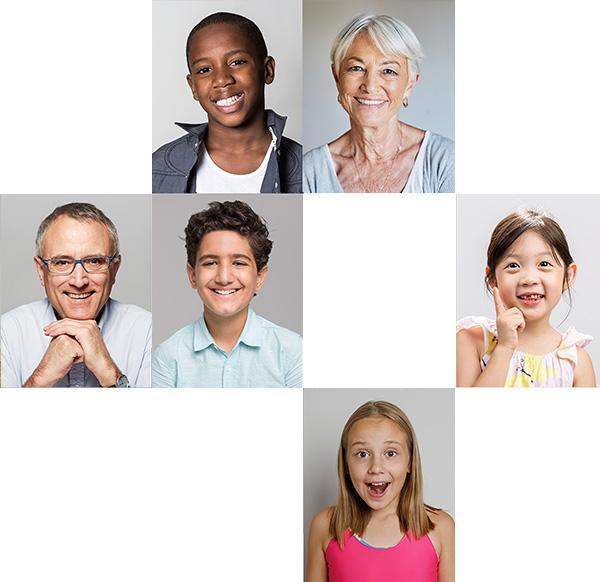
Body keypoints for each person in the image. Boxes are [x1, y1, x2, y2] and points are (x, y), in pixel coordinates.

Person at [152, 200, 302, 387]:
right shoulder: (168, 356)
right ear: (192, 275)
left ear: (259, 277)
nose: (224, 278)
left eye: (239, 263)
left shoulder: (293, 350)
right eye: (210, 263)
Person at [1, 203, 152, 387]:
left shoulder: (147, 332)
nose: (79, 281)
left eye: (94, 261)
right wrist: (40, 379)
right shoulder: (7, 333)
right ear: (41, 271)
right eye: (62, 262)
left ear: (114, 269)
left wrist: (109, 372)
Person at [152, 12, 302, 193]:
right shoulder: (157, 169)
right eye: (204, 70)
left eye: (237, 62)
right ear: (193, 87)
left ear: (267, 70)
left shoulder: (304, 169)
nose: (222, 79)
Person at [303, 14, 453, 193]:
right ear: (337, 77)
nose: (370, 85)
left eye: (388, 71)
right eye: (356, 68)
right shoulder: (309, 172)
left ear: (410, 84)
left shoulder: (445, 160)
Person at [306, 400, 454, 582]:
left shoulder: (441, 528)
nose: (376, 467)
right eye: (362, 454)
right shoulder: (324, 526)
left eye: (390, 453)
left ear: (410, 462)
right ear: (345, 463)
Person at [457, 209, 596, 387]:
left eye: (544, 264)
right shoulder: (472, 340)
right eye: (513, 265)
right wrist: (504, 348)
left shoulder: (576, 362)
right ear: (492, 279)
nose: (529, 279)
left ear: (568, 276)